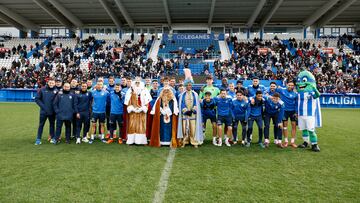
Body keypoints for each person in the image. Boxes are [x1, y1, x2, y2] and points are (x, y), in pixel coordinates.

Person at [177, 69, 203, 148]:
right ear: (185, 85)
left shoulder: (195, 94)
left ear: (191, 85)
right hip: (185, 115)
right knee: (185, 128)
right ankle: (185, 141)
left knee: (193, 128)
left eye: (190, 85)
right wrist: (185, 111)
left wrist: (192, 110)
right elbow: (181, 104)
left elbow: (196, 103)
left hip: (192, 114)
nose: (189, 86)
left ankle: (194, 141)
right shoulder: (182, 94)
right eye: (187, 85)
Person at [124, 77, 152, 145]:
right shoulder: (130, 91)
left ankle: (141, 141)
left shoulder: (145, 90)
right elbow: (128, 102)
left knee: (141, 126)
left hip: (141, 112)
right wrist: (132, 109)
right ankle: (131, 141)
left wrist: (142, 108)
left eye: (138, 83)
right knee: (132, 126)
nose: (137, 84)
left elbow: (147, 102)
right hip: (133, 112)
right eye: (136, 83)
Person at [34, 78, 58, 145]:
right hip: (43, 112)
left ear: (54, 83)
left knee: (52, 125)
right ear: (48, 83)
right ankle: (38, 139)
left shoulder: (57, 90)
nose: (51, 84)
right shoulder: (42, 89)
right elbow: (37, 99)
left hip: (52, 112)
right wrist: (44, 107)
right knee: (41, 125)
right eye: (50, 83)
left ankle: (52, 138)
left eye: (52, 83)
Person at [276, 80, 298, 147]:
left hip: (293, 111)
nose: (290, 86)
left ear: (293, 86)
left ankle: (292, 142)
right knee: (285, 126)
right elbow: (272, 88)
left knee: (293, 126)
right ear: (286, 85)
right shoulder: (281, 90)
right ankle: (286, 141)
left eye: (292, 85)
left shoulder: (295, 94)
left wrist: (296, 112)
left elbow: (297, 103)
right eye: (289, 85)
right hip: (284, 111)